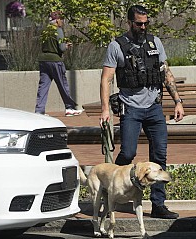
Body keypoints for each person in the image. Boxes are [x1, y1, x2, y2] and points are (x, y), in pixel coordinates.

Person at [99, 5, 185, 219]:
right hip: (131, 107)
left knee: (159, 156)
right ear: (129, 22)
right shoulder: (116, 46)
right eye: (139, 23)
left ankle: (158, 205)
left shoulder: (155, 42)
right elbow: (106, 79)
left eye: (146, 23)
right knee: (128, 153)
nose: (143, 26)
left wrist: (177, 101)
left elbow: (166, 73)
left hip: (154, 108)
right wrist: (105, 110)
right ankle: (111, 191)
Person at [35, 11, 83, 117]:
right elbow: (61, 47)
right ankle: (69, 108)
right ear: (57, 20)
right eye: (62, 20)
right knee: (62, 84)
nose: (63, 22)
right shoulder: (58, 30)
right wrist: (66, 45)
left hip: (43, 60)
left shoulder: (44, 30)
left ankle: (39, 110)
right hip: (55, 60)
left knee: (43, 86)